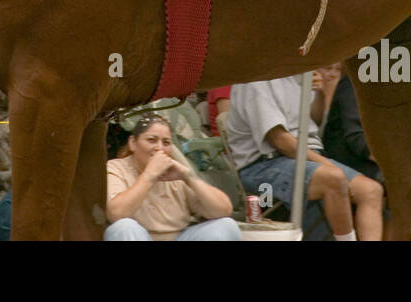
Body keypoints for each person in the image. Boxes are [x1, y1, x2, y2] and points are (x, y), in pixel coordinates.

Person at [225, 73, 383, 240]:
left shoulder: (296, 74)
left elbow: (312, 121)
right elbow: (280, 141)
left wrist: (320, 94)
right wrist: (329, 166)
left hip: (305, 155)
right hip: (263, 165)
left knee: (371, 191)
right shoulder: (255, 81)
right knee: (334, 178)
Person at [105, 114, 239, 240]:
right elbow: (117, 213)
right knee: (124, 227)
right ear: (133, 143)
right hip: (138, 236)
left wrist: (189, 177)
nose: (160, 148)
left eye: (166, 142)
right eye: (152, 140)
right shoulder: (116, 168)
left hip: (179, 237)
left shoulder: (175, 171)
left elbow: (223, 210)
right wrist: (149, 175)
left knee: (226, 225)